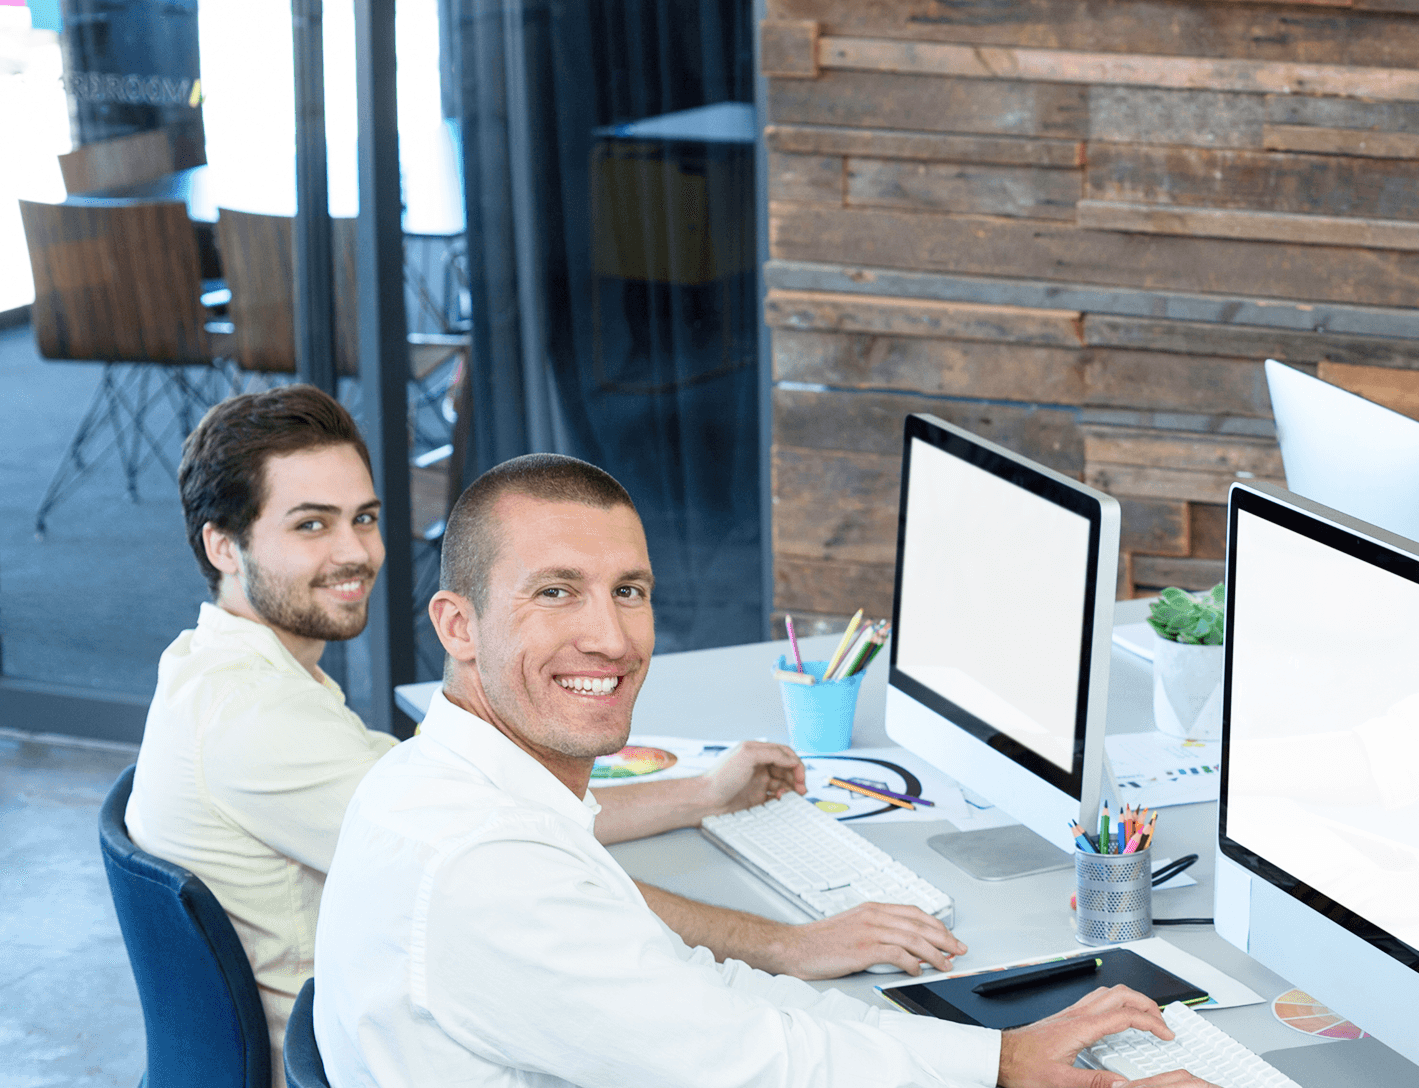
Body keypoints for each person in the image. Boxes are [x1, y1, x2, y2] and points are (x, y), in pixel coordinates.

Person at [128, 387, 964, 1069]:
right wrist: (789, 944)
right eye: (311, 524)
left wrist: (700, 795)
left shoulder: (246, 677)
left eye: (366, 517)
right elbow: (538, 891)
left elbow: (529, 828)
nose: (357, 552)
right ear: (224, 547)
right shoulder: (258, 723)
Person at [316, 454, 1207, 1087]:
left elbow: (705, 1007)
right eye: (556, 592)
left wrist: (981, 1061)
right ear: (457, 626)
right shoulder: (488, 864)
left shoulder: (447, 782)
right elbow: (738, 1065)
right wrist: (1003, 1065)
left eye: (629, 590)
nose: (613, 639)